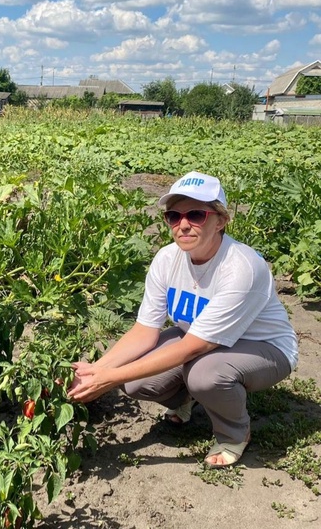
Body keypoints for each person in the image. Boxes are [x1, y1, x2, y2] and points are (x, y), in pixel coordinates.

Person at [68, 171, 298, 469]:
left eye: (197, 215)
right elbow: (144, 331)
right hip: (200, 340)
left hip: (263, 348)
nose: (183, 224)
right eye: (174, 216)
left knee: (204, 374)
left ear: (221, 220)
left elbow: (194, 347)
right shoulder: (167, 259)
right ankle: (184, 400)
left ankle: (234, 434)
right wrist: (97, 370)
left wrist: (109, 379)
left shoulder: (241, 267)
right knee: (135, 381)